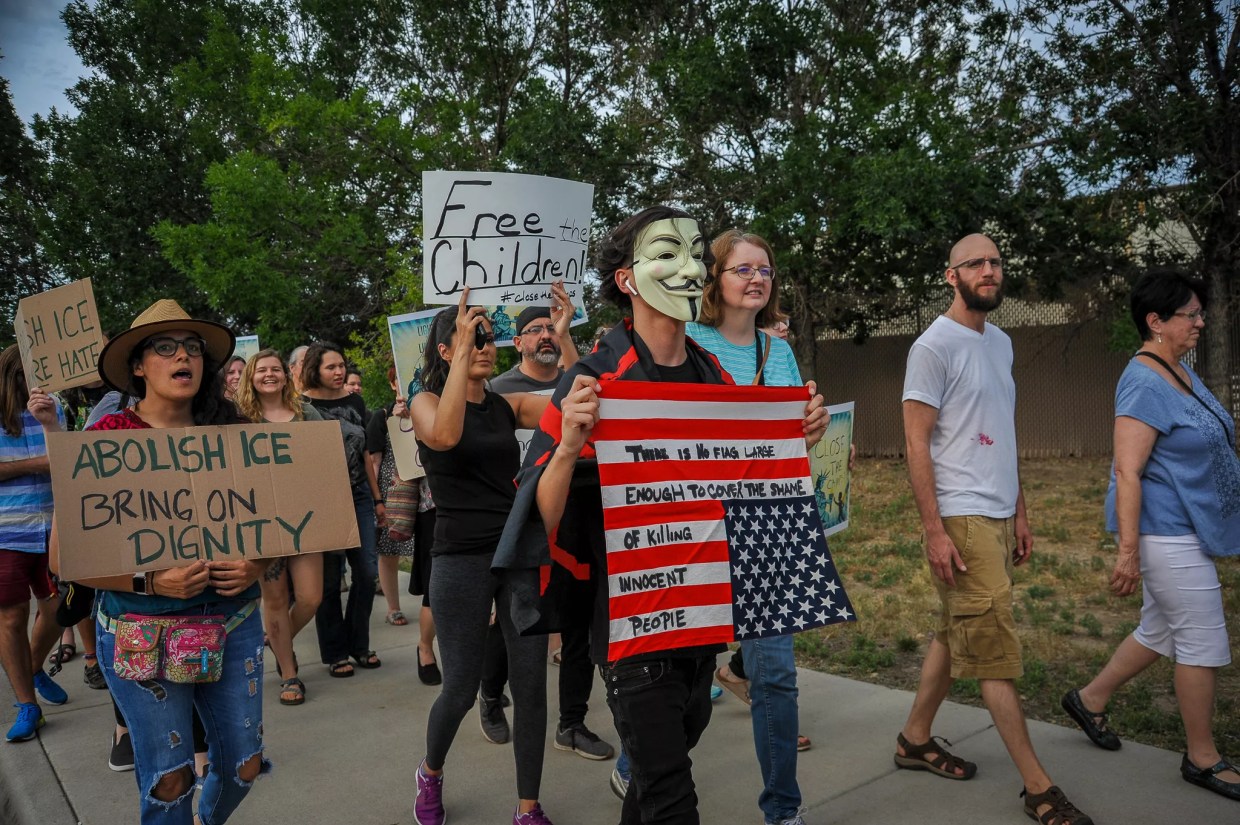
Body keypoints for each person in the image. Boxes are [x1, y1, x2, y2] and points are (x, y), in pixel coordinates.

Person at [495, 206, 827, 825]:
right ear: (627, 279)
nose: (690, 266)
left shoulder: (716, 379)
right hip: (631, 626)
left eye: (696, 253)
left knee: (655, 779)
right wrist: (568, 445)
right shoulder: (592, 380)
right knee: (673, 797)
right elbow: (540, 511)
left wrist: (793, 440)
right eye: (668, 252)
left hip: (702, 618)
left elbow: (746, 483)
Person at [48, 299, 270, 823]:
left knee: (245, 766)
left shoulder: (237, 436)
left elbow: (281, 524)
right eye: (165, 347)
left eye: (192, 347)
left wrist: (258, 565)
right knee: (170, 778)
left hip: (233, 621)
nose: (183, 356)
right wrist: (149, 580)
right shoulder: (104, 442)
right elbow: (64, 557)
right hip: (140, 631)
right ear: (139, 367)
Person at [897, 234, 1092, 825]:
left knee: (954, 626)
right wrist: (935, 530)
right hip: (961, 516)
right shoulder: (933, 346)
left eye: (995, 262)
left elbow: (998, 430)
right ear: (951, 276)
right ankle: (1038, 789)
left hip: (999, 513)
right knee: (994, 653)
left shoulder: (1001, 342)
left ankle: (914, 738)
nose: (989, 270)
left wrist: (1021, 509)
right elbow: (915, 441)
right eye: (975, 264)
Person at [1060, 269, 1239, 802]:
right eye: (1192, 315)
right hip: (1167, 533)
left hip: (1185, 527)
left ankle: (1089, 699)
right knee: (1202, 643)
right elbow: (1128, 470)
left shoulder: (1178, 370)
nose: (1201, 323)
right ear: (1156, 321)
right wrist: (1128, 552)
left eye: (1201, 313)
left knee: (1161, 631)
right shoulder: (1143, 378)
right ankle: (1202, 758)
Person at [409, 293, 555, 825]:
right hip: (460, 558)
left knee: (533, 688)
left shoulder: (507, 404)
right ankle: (430, 770)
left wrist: (561, 338)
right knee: (462, 688)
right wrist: (462, 344)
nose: (487, 346)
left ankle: (528, 807)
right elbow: (445, 435)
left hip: (516, 552)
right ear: (447, 350)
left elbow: (573, 399)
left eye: (489, 337)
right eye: (475, 337)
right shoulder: (426, 403)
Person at [686, 229, 812, 825]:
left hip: (767, 527)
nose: (757, 278)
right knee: (680, 675)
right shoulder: (686, 342)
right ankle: (639, 764)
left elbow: (788, 440)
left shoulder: (779, 353)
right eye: (742, 269)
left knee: (776, 678)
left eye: (764, 269)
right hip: (697, 531)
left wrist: (811, 432)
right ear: (714, 279)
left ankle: (783, 808)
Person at [484, 289, 614, 760]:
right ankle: (490, 695)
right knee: (514, 616)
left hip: (579, 514)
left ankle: (572, 723)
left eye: (550, 328)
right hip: (521, 513)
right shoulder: (498, 389)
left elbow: (593, 386)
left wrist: (568, 337)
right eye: (535, 329)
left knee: (577, 622)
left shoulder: (581, 379)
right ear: (517, 342)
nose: (545, 335)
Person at [234, 348, 325, 706]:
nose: (269, 375)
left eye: (275, 369)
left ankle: (275, 638)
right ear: (250, 378)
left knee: (310, 597)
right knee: (273, 600)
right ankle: (290, 673)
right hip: (262, 519)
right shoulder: (240, 418)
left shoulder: (306, 413)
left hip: (305, 516)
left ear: (287, 376)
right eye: (261, 370)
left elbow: (327, 450)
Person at [300, 341, 384, 677]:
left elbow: (364, 453)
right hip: (323, 500)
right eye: (331, 367)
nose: (339, 372)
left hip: (360, 494)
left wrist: (378, 500)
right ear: (315, 370)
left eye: (341, 366)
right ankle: (336, 653)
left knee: (366, 571)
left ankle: (358, 644)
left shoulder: (355, 401)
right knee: (330, 579)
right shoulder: (301, 404)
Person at [0, 345, 69, 742]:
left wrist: (49, 427)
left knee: (59, 607)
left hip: (52, 524)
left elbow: (66, 459)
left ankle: (32, 666)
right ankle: (28, 704)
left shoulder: (52, 407)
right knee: (10, 617)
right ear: (16, 374)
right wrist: (37, 464)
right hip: (7, 531)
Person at [366, 366, 416, 629]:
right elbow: (374, 461)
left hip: (426, 490)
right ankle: (393, 608)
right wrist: (378, 501)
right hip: (393, 490)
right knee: (389, 551)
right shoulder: (381, 416)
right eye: (399, 379)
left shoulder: (432, 409)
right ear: (393, 385)